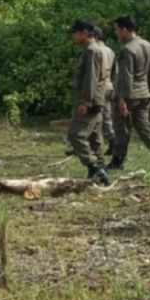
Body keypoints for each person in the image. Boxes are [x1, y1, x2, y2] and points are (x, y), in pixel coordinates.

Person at [110, 16, 150, 174]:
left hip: (129, 96)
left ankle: (117, 161)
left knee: (121, 128)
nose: (116, 33)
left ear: (124, 29)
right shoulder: (147, 45)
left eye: (117, 30)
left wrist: (122, 100)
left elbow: (126, 77)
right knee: (144, 128)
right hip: (144, 94)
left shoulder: (127, 49)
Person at [65, 20, 112, 186]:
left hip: (90, 100)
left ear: (84, 33)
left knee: (75, 135)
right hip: (97, 100)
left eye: (75, 32)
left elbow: (91, 79)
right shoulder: (95, 49)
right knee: (94, 138)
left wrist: (85, 101)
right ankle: (101, 170)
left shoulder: (91, 51)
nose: (73, 36)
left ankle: (94, 168)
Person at [92, 26, 117, 157]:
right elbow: (114, 71)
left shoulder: (95, 51)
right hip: (109, 86)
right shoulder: (110, 51)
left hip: (98, 87)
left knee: (92, 117)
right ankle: (112, 142)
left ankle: (89, 145)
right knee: (107, 117)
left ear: (95, 36)